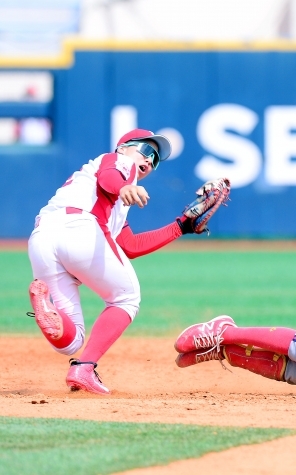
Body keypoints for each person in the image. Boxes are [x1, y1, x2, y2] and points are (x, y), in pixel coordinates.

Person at [27, 129, 205, 395]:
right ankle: (84, 368)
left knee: (69, 342)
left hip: (41, 238)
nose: (149, 160)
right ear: (124, 147)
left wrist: (180, 227)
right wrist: (124, 186)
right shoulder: (116, 162)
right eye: (145, 150)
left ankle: (44, 306)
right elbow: (111, 175)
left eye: (155, 160)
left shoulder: (115, 203)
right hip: (79, 227)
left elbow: (130, 246)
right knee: (126, 298)